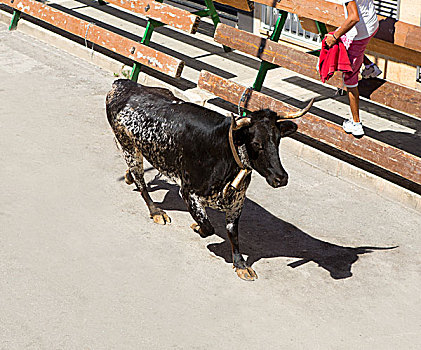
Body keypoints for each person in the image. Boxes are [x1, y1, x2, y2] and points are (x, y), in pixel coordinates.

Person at [325, 0, 379, 137]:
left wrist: (334, 37)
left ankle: (356, 123)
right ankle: (369, 66)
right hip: (372, 24)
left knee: (350, 77)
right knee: (349, 47)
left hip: (359, 34)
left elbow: (354, 17)